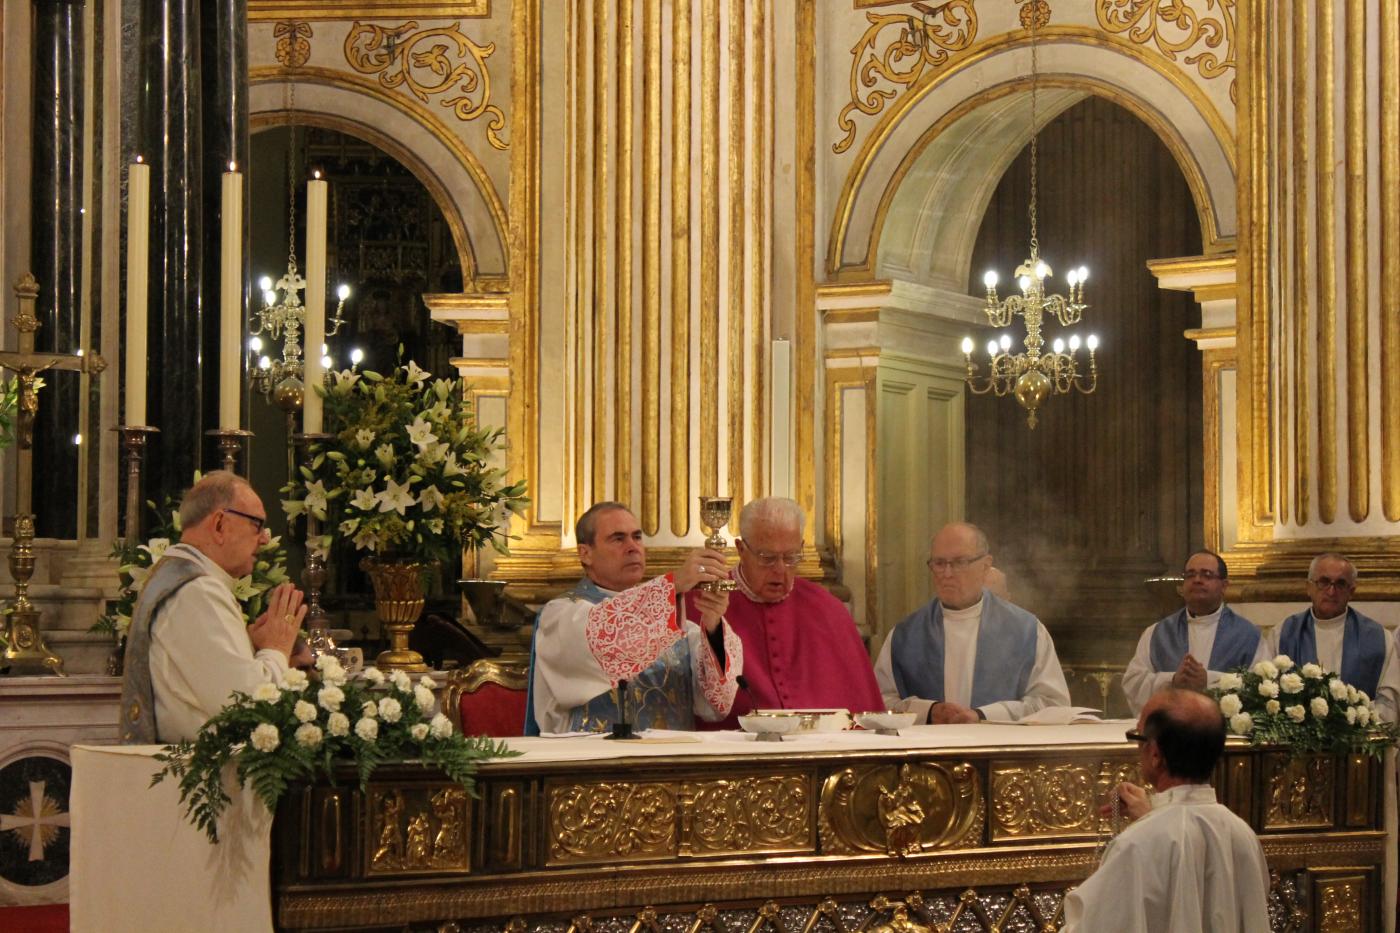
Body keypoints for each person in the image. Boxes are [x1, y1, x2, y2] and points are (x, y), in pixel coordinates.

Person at [119, 471, 309, 743]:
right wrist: (277, 648)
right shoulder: (198, 591)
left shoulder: (181, 579)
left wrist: (251, 647)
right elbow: (246, 706)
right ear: (220, 524)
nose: (265, 538)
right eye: (257, 524)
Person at [1061, 688, 1270, 932]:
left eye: (1139, 737)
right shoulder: (1243, 834)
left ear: (1156, 754)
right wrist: (1153, 816)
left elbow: (1096, 926)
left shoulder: (1136, 844)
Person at [528, 501, 742, 734]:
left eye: (637, 537)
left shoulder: (673, 622)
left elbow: (717, 703)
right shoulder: (562, 616)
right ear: (585, 553)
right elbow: (611, 640)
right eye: (618, 538)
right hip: (593, 763)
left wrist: (712, 624)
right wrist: (676, 583)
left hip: (669, 763)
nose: (633, 547)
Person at [689, 497, 882, 729]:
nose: (780, 570)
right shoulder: (704, 603)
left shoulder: (829, 611)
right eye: (767, 558)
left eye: (791, 558)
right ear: (741, 549)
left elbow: (862, 712)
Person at [875, 522, 1070, 723]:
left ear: (985, 566)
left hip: (1000, 751)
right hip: (928, 752)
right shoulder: (906, 635)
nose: (947, 574)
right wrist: (928, 711)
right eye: (939, 563)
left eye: (959, 562)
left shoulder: (1027, 631)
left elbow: (1054, 706)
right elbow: (878, 703)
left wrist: (984, 715)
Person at [1122, 550, 1268, 714]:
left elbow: (1262, 688)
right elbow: (1133, 683)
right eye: (1190, 575)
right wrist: (1172, 681)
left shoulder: (1248, 636)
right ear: (1182, 585)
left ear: (1224, 586)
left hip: (1223, 734)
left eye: (1206, 575)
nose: (1197, 580)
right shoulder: (1156, 633)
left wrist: (1208, 680)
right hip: (1171, 731)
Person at [1271, 553, 1398, 723]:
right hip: (1296, 744)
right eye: (1323, 582)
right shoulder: (1283, 634)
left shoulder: (1379, 638)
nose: (1331, 591)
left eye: (1341, 584)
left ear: (1351, 591)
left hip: (1357, 744)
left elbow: (1388, 702)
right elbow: (1269, 694)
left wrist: (1356, 726)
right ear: (1309, 587)